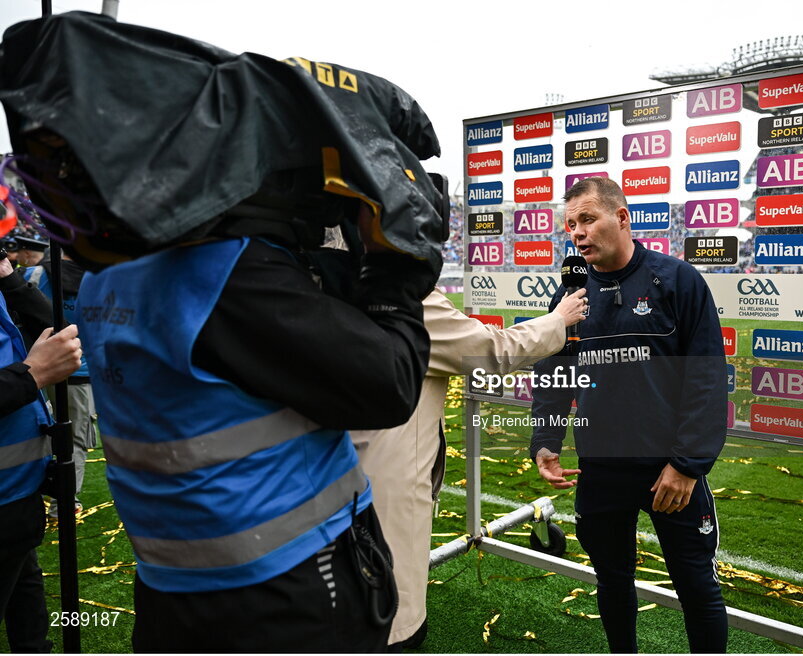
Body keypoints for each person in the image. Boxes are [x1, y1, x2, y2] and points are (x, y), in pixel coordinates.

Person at [76, 204, 437, 652]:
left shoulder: (103, 273)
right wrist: (393, 272)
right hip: (287, 586)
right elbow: (391, 384)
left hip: (169, 583)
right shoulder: (227, 269)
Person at [529, 177, 729, 653]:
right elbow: (555, 381)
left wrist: (685, 465)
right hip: (601, 468)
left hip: (669, 472)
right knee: (612, 580)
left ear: (622, 218)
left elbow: (706, 381)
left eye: (588, 219)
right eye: (571, 224)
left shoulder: (677, 281)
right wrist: (546, 442)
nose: (577, 232)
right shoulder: (569, 300)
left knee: (695, 585)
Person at [350, 285, 588, 650]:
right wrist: (559, 320)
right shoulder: (404, 296)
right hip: (384, 480)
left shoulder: (316, 281)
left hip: (333, 470)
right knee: (389, 599)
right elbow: (492, 351)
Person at [0, 251, 82, 653]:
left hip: (19, 490)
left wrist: (9, 278)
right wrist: (33, 375)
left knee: (29, 616)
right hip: (4, 497)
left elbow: (60, 332)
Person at [22, 252, 94, 516]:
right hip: (77, 366)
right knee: (75, 437)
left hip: (34, 366)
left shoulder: (33, 275)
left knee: (34, 431)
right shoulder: (95, 276)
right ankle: (64, 504)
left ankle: (28, 495)